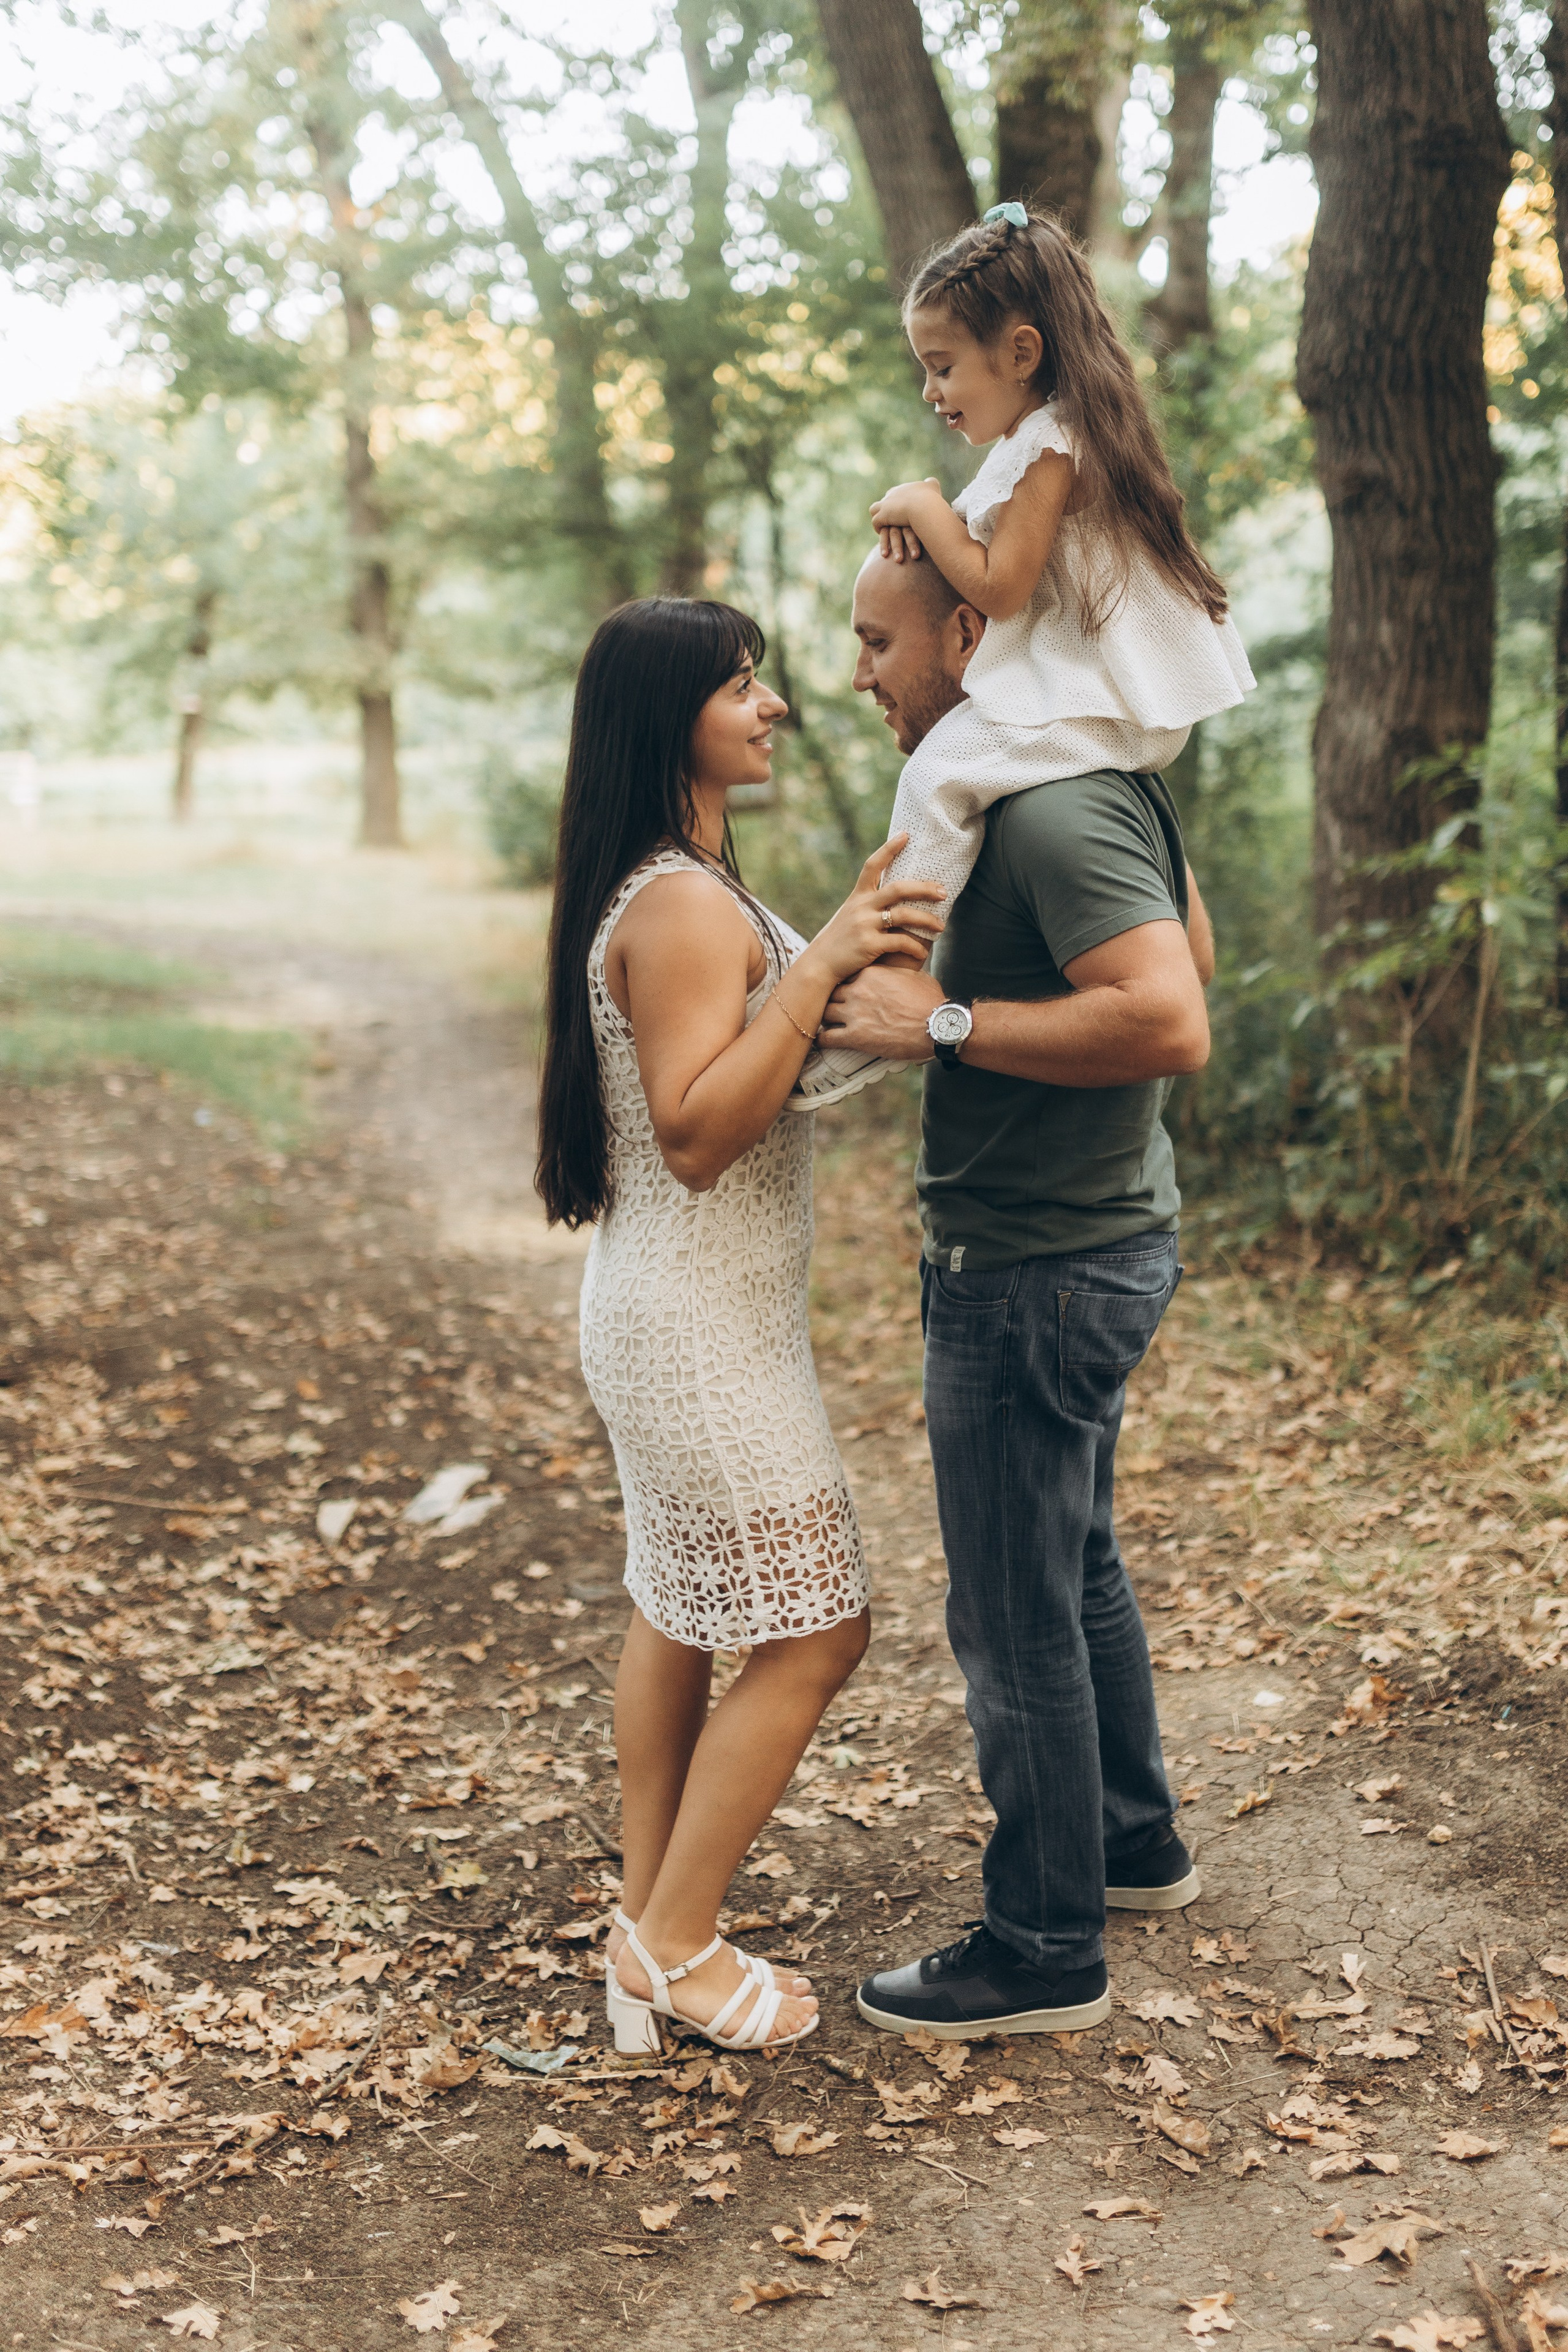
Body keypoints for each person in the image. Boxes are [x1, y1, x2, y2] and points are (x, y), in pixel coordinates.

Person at [535, 596, 944, 2055]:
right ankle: (679, 1941)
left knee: (681, 1606)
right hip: (693, 1324)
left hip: (692, 1313)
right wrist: (825, 952)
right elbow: (700, 1131)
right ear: (674, 721)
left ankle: (644, 1922)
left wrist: (861, 962)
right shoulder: (684, 904)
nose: (770, 703)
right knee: (817, 1629)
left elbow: (793, 1053)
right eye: (741, 683)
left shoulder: (689, 885)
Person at [819, 544, 1213, 2038]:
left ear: (972, 630)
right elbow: (1189, 955)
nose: (861, 676)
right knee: (1076, 1562)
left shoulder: (1047, 805)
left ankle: (1042, 1947)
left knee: (1011, 1612)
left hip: (1039, 1266)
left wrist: (945, 1022)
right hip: (1081, 1245)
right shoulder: (1074, 778)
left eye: (876, 643)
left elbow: (1169, 1018)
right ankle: (1129, 1846)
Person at [790, 200, 1250, 1110]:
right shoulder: (1035, 442)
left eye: (942, 367)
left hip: (1089, 699)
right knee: (951, 778)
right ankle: (880, 982)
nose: (932, 392)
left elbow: (997, 590)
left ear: (1023, 352)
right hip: (1093, 704)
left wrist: (925, 512)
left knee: (936, 778)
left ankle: (881, 994)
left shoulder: (1053, 446)